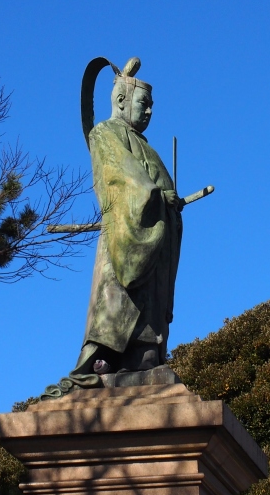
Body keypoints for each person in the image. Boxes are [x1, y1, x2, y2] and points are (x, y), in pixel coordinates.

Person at [53, 58, 183, 393]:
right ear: (122, 100)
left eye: (152, 106)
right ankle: (108, 355)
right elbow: (122, 180)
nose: (149, 111)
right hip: (125, 233)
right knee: (120, 295)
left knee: (149, 303)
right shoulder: (105, 133)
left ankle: (144, 352)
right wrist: (156, 197)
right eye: (144, 103)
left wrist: (170, 207)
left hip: (155, 235)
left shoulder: (147, 147)